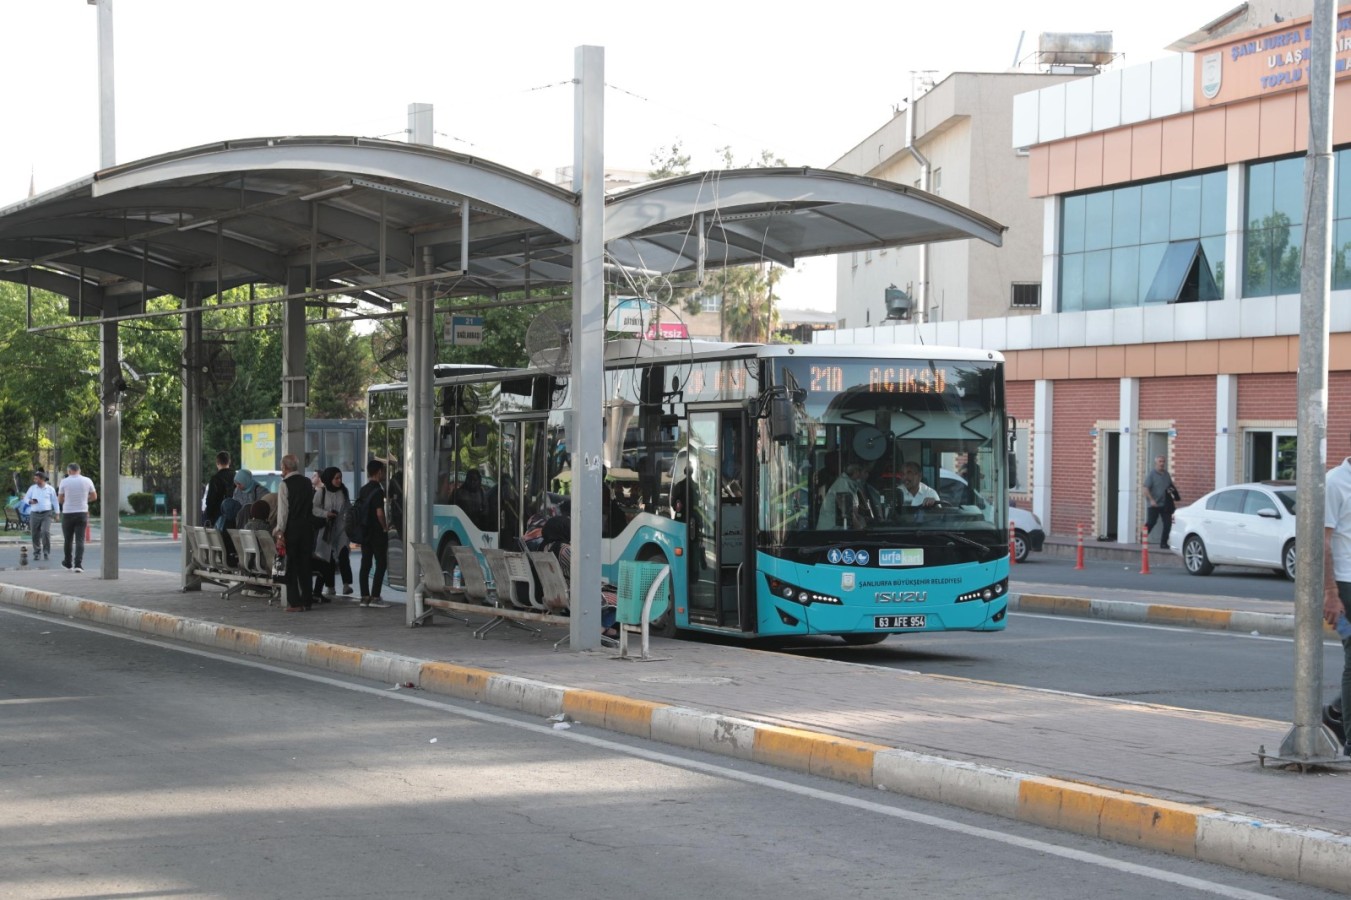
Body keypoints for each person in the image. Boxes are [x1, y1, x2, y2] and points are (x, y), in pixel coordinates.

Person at [1324, 438, 1351, 757]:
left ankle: (1334, 712)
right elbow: (1323, 542)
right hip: (1344, 588)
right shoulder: (1335, 483)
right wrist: (1330, 593)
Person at [273, 453, 314, 611]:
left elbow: (283, 512)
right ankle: (307, 600)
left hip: (292, 529)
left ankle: (295, 602)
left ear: (285, 467)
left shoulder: (284, 485)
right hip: (307, 529)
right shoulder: (307, 482)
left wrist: (280, 532)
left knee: (290, 566)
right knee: (305, 565)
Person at [311, 466, 352, 602]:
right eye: (336, 478)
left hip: (341, 529)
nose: (339, 480)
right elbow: (314, 508)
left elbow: (348, 508)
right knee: (327, 559)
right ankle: (330, 586)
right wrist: (326, 514)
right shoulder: (321, 493)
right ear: (329, 479)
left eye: (340, 478)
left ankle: (346, 584)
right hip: (326, 530)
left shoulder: (343, 492)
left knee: (343, 553)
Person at [355, 458, 391, 608]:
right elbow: (379, 513)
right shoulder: (378, 490)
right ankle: (375, 597)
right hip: (377, 532)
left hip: (365, 531)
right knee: (381, 563)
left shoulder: (363, 489)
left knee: (365, 564)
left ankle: (364, 597)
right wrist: (385, 527)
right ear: (379, 472)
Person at [57, 462, 97, 572]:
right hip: (82, 513)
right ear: (79, 470)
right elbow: (94, 497)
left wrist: (67, 500)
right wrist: (85, 499)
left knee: (68, 540)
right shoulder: (87, 480)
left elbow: (60, 499)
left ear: (69, 471)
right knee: (80, 540)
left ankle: (68, 563)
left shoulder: (64, 482)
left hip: (68, 513)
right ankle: (78, 564)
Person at [818, 462, 868, 529]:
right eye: (865, 472)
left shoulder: (851, 485)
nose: (867, 475)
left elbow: (854, 510)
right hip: (829, 529)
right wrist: (859, 527)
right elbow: (846, 511)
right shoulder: (842, 484)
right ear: (856, 472)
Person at [1143, 455, 1178, 550]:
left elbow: (1170, 486)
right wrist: (1151, 500)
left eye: (1163, 461)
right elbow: (1145, 489)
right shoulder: (1151, 475)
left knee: (1168, 523)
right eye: (1160, 461)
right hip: (1154, 504)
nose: (1162, 463)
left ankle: (1163, 543)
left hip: (1165, 504)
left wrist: (1175, 495)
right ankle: (1143, 536)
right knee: (1151, 522)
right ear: (1156, 463)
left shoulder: (1166, 474)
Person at [24, 469, 58, 561]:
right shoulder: (32, 488)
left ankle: (46, 551)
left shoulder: (50, 489)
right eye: (34, 479)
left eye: (37, 479)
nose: (35, 480)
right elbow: (26, 498)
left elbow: (55, 501)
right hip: (34, 513)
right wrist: (29, 501)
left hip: (46, 514)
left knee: (45, 532)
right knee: (35, 534)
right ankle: (37, 552)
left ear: (42, 479)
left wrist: (57, 513)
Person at [203, 451, 234, 528]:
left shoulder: (215, 479)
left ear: (217, 463)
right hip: (234, 517)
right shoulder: (236, 476)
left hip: (218, 517)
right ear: (229, 462)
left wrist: (209, 516)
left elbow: (210, 500)